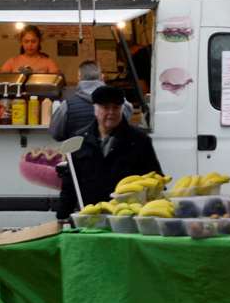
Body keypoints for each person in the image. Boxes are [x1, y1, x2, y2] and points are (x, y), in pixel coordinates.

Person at [58, 86, 163, 214]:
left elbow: (156, 180)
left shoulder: (139, 140)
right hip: (90, 217)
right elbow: (70, 185)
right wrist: (62, 216)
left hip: (127, 216)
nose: (111, 112)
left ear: (122, 109)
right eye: (106, 108)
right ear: (95, 110)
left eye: (116, 108)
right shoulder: (79, 141)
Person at [51, 60, 128, 141]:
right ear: (101, 77)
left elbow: (56, 134)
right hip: (110, 151)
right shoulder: (119, 102)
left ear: (79, 77)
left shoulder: (66, 105)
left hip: (79, 152)